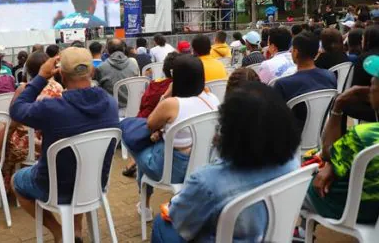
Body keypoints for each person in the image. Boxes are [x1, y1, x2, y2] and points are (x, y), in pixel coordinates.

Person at [151, 83, 300, 242]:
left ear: (230, 131)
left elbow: (182, 223)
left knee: (161, 223)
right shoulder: (292, 164)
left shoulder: (207, 181)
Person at [10, 48, 119, 242]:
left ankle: (59, 231)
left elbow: (17, 110)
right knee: (77, 165)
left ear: (60, 73)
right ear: (92, 72)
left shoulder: (53, 109)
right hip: (94, 183)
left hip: (54, 187)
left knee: (17, 181)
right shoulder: (110, 104)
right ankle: (75, 231)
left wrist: (42, 76)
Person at [129, 54, 220, 222]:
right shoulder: (212, 98)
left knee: (135, 143)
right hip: (205, 163)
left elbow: (150, 124)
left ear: (176, 78)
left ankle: (145, 205)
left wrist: (166, 94)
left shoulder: (171, 104)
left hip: (173, 170)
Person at [0, 52, 63, 204]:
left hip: (29, 145)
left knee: (1, 147)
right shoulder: (58, 88)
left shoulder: (25, 89)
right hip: (49, 142)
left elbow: (13, 118)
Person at [303, 55, 379, 225]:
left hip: (351, 209)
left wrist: (339, 105)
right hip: (374, 211)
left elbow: (327, 152)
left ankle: (298, 232)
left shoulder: (363, 135)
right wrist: (332, 165)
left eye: (373, 83)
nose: (369, 87)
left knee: (295, 186)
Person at [274, 31, 336, 128]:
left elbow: (277, 118)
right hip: (322, 132)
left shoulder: (283, 84)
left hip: (293, 137)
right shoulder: (330, 76)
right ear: (317, 52)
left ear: (295, 52)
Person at [96, 39, 139, 108]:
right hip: (133, 109)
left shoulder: (101, 68)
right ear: (124, 49)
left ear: (107, 51)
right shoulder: (134, 65)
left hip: (110, 111)